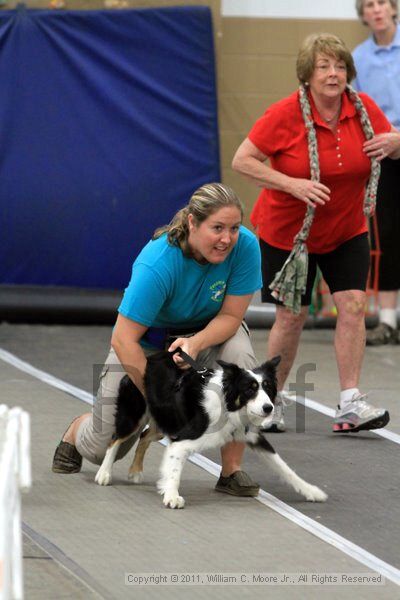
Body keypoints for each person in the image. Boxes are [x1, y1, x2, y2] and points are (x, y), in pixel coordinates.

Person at [232, 33, 400, 433]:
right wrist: (291, 184)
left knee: (355, 308)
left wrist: (397, 141)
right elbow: (243, 161)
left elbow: (390, 146)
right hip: (290, 235)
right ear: (307, 75)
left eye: (340, 66)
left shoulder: (363, 109)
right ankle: (269, 399)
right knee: (291, 318)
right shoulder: (284, 114)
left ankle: (350, 402)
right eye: (324, 66)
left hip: (346, 229)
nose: (333, 74)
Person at [52, 183, 264, 497]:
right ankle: (77, 429)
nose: (226, 239)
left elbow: (232, 318)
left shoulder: (245, 247)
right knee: (101, 449)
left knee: (242, 363)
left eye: (234, 229)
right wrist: (161, 401)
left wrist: (196, 342)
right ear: (193, 223)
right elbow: (124, 339)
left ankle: (231, 470)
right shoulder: (157, 263)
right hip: (149, 344)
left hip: (209, 335)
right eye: (217, 228)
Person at [353, 0, 400, 345]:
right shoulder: (358, 59)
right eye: (369, 5)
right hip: (383, 153)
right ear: (363, 14)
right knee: (385, 234)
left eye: (382, 2)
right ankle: (387, 320)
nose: (377, 10)